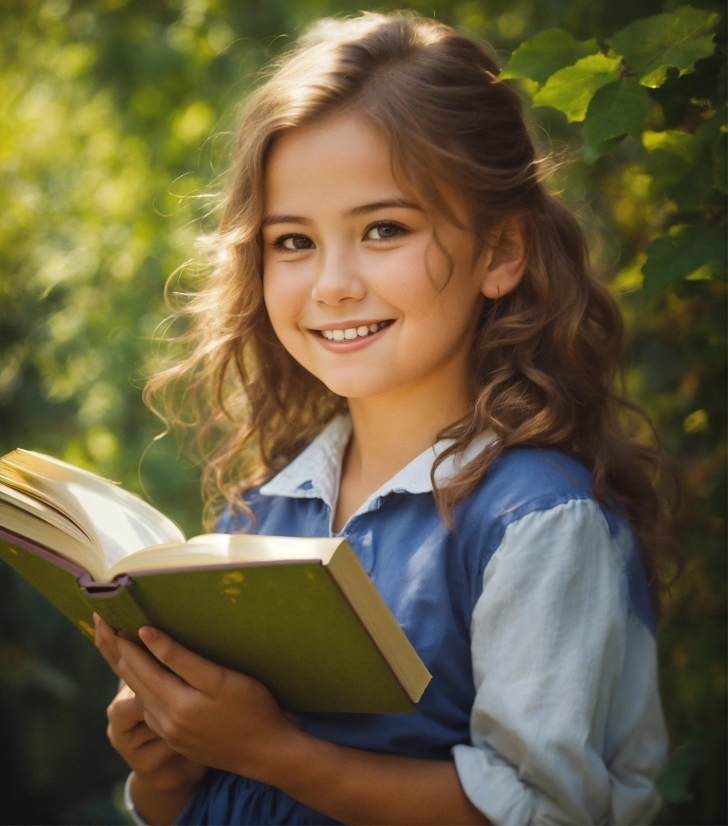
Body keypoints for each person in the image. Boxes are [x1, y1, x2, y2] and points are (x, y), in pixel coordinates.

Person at [93, 12, 677, 825]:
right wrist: (165, 772)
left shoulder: (540, 519)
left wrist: (271, 752)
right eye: (292, 241)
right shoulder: (264, 511)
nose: (332, 283)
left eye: (384, 229)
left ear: (501, 251)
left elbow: (546, 813)